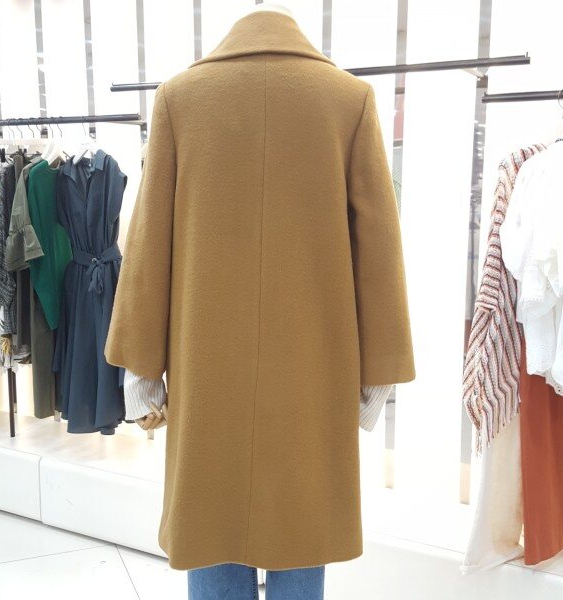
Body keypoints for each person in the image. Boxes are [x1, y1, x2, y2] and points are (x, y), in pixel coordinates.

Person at [105, 5, 415, 599]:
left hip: (206, 365)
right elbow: (379, 248)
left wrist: (141, 366)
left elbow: (149, 245)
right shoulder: (348, 100)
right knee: (303, 526)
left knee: (212, 519)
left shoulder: (180, 99)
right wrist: (378, 372)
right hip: (313, 366)